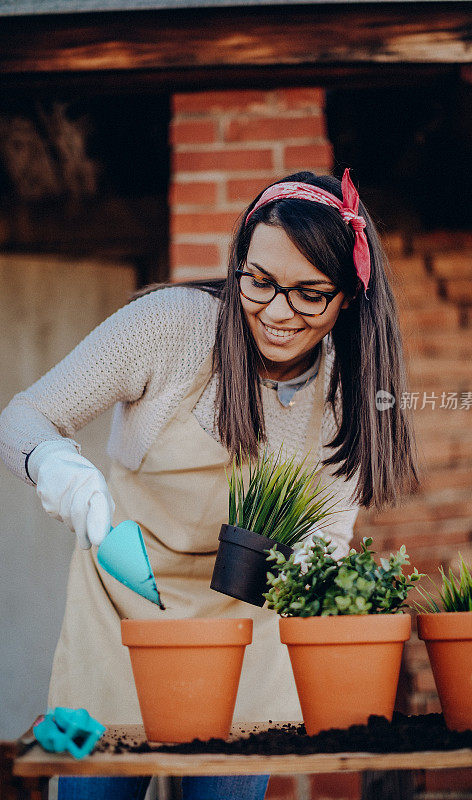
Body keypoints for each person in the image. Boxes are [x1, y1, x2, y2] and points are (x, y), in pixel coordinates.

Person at [0, 168, 418, 800]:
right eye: (260, 281)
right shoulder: (170, 329)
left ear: (348, 297)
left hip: (246, 628)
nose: (278, 313)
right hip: (120, 613)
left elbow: (327, 534)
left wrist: (310, 571)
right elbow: (23, 417)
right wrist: (55, 466)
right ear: (238, 263)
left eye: (310, 293)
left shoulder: (347, 393)